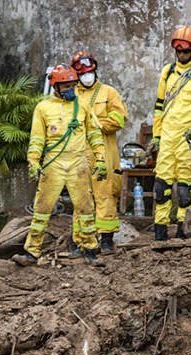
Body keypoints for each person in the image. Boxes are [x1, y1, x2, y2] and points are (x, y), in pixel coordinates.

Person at [12, 65, 108, 268]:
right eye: (66, 86)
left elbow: (94, 134)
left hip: (78, 163)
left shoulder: (82, 105)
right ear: (55, 86)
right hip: (53, 163)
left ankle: (90, 249)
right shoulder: (43, 108)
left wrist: (100, 158)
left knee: (85, 207)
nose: (70, 89)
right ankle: (31, 252)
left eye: (73, 85)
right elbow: (37, 138)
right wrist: (34, 161)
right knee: (42, 209)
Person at [150, 25, 191, 241]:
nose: (182, 55)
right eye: (178, 51)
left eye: (185, 51)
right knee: (162, 187)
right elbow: (159, 106)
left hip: (188, 137)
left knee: (184, 190)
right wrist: (156, 135)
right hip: (167, 137)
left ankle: (182, 229)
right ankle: (160, 230)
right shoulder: (167, 73)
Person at [72, 51, 128, 255]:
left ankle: (106, 239)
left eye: (90, 72)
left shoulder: (109, 93)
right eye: (83, 74)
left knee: (105, 194)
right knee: (81, 197)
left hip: (104, 151)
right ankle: (81, 240)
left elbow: (120, 119)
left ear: (95, 71)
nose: (87, 76)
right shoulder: (72, 95)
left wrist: (97, 124)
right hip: (79, 152)